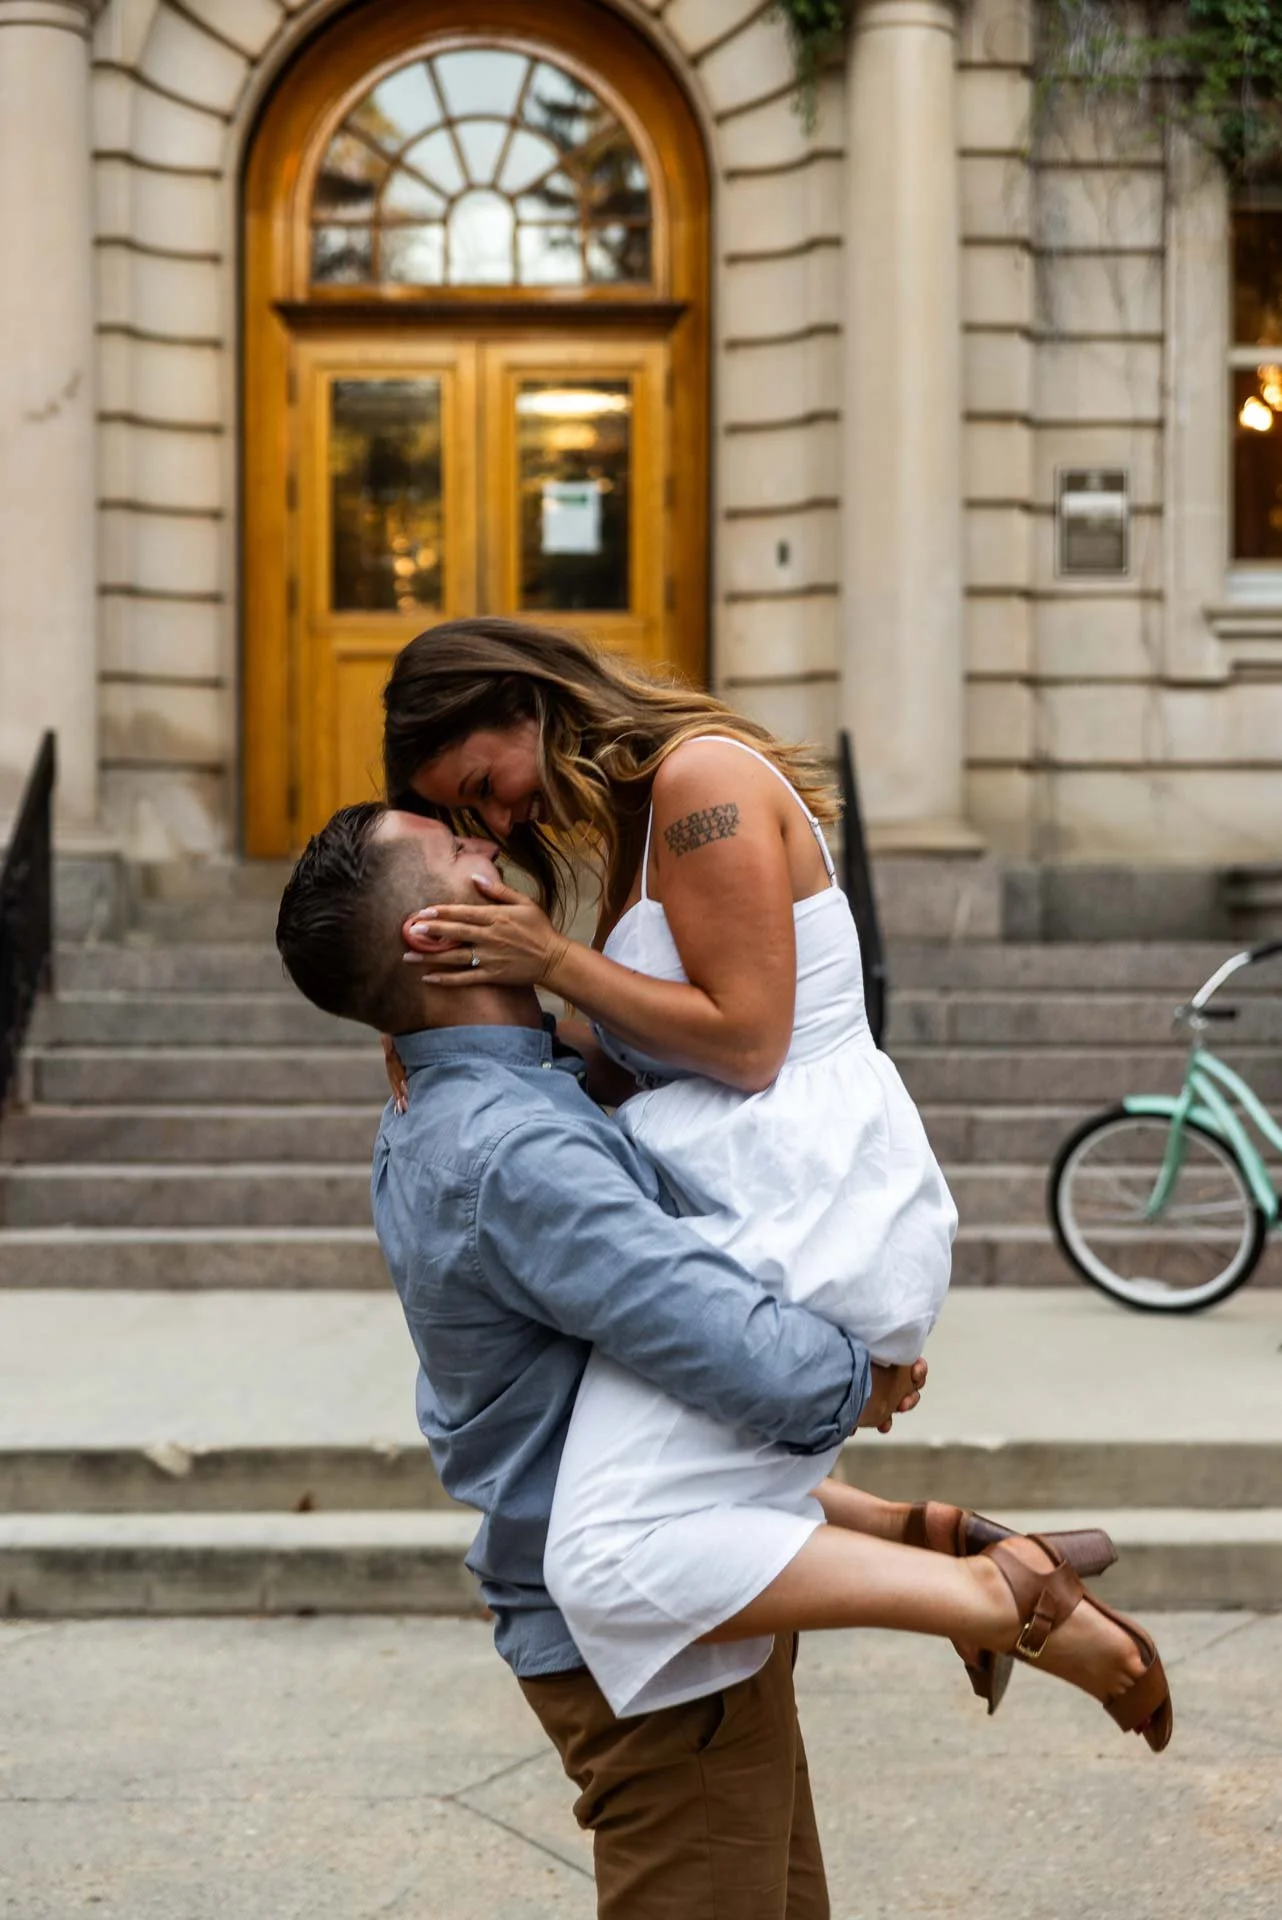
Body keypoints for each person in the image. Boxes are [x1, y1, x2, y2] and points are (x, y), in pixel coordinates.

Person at [275, 805, 1171, 1920]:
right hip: (646, 1661)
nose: (487, 845)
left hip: (695, 1604)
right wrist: (866, 1374)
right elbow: (752, 1365)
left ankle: (937, 1560)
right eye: (457, 851)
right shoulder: (510, 1149)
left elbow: (632, 1406)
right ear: (437, 937)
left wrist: (872, 1518)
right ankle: (992, 1599)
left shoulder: (483, 1095)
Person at [378, 619, 1152, 1728]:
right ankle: (917, 1535)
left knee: (604, 1552)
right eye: (475, 815)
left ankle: (991, 1593)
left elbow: (746, 1040)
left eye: (486, 782)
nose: (503, 817)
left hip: (809, 1196)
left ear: (526, 704)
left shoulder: (700, 782)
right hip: (748, 1197)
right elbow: (629, 1049)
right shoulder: (638, 822)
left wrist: (552, 959)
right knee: (667, 1510)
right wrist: (431, 1021)